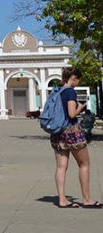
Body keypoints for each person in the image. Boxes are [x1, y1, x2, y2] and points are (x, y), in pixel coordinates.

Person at [51, 67, 101, 208]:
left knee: (61, 166)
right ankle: (87, 199)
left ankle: (62, 199)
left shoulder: (57, 91)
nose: (78, 82)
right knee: (84, 164)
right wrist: (81, 107)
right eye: (78, 79)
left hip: (57, 132)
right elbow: (72, 114)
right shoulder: (70, 92)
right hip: (71, 132)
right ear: (73, 77)